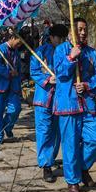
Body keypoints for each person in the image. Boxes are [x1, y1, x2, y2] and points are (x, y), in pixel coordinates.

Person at [53, 17, 96, 192]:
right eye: (79, 29)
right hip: (68, 103)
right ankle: (73, 181)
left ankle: (83, 167)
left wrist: (87, 85)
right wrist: (71, 57)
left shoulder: (92, 53)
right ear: (71, 32)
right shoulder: (61, 50)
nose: (83, 33)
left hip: (88, 103)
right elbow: (60, 73)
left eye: (85, 29)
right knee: (70, 144)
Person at [31, 23, 68, 182]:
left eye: (63, 38)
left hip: (60, 99)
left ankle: (51, 158)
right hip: (44, 98)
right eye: (58, 38)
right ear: (51, 37)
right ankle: (45, 165)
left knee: (58, 132)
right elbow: (34, 72)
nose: (61, 41)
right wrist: (47, 79)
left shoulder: (67, 51)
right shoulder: (40, 52)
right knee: (44, 131)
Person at [0, 30, 22, 145]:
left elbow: (18, 67)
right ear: (12, 38)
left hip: (13, 86)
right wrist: (8, 72)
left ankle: (7, 127)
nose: (20, 44)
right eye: (19, 41)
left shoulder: (16, 51)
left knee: (15, 109)